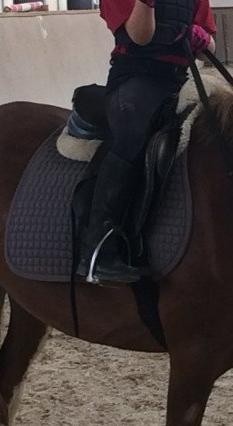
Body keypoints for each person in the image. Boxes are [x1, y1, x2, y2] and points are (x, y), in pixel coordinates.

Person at [77, 0, 216, 285]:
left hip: (177, 80)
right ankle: (99, 250)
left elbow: (210, 49)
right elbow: (141, 36)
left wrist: (198, 37)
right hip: (135, 79)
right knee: (133, 137)